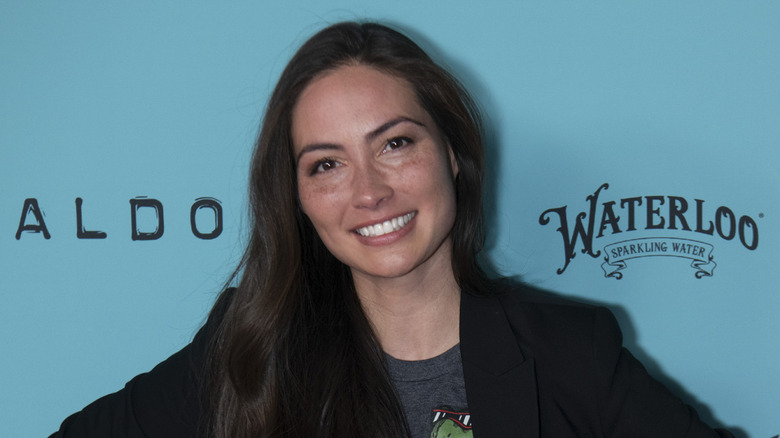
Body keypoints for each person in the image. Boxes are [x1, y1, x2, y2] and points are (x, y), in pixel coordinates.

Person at [51, 21, 734, 438]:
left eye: (396, 144)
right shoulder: (252, 351)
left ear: (453, 156)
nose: (369, 191)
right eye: (326, 164)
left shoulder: (570, 353)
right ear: (297, 198)